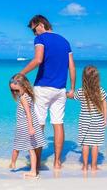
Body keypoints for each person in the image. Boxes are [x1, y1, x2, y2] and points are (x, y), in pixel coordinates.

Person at [20, 15, 76, 169]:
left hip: (43, 87)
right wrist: (72, 88)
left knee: (39, 124)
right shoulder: (65, 41)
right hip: (60, 89)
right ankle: (57, 162)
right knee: (58, 123)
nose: (34, 34)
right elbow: (71, 66)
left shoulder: (41, 39)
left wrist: (21, 74)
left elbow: (38, 60)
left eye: (33, 30)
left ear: (40, 24)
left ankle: (36, 162)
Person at [67, 66, 107, 172]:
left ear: (84, 79)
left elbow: (72, 96)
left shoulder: (81, 91)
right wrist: (105, 119)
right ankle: (94, 166)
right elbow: (104, 105)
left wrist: (65, 94)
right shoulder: (100, 91)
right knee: (95, 144)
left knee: (85, 144)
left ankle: (85, 166)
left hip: (84, 121)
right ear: (97, 78)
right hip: (97, 121)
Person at [9, 73, 46, 177]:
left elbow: (29, 113)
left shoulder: (23, 98)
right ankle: (15, 164)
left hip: (25, 127)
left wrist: (30, 127)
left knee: (21, 148)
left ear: (24, 86)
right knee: (25, 148)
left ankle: (30, 170)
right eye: (13, 90)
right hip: (25, 126)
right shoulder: (28, 95)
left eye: (16, 90)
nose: (15, 92)